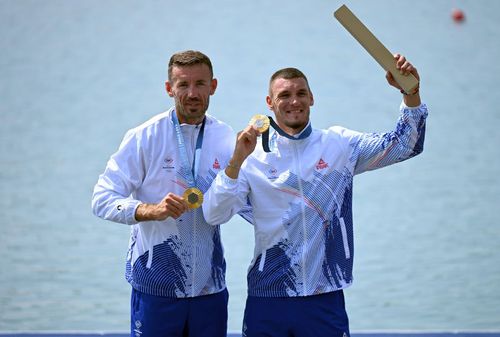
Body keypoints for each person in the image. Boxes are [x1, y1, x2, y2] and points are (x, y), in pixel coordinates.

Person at [203, 53, 428, 337]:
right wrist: (235, 163)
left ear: (312, 98)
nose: (294, 101)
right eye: (284, 95)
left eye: (300, 93)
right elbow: (214, 214)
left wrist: (411, 92)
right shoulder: (251, 156)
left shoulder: (340, 145)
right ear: (270, 103)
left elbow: (406, 145)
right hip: (269, 296)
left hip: (325, 295)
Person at [92, 50, 235, 337]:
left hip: (210, 289)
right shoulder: (144, 136)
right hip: (156, 289)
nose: (192, 93)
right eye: (183, 85)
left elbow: (247, 202)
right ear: (169, 89)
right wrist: (149, 210)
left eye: (200, 84)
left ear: (214, 86)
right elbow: (102, 199)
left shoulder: (226, 137)